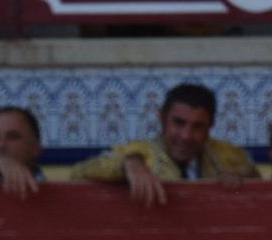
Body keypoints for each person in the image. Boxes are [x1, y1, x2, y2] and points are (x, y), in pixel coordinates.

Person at [71, 83, 258, 208]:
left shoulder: (231, 159)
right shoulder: (141, 152)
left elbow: (261, 192)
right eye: (179, 123)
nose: (186, 136)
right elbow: (79, 172)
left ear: (211, 126)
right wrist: (129, 164)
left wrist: (242, 184)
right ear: (162, 119)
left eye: (198, 127)